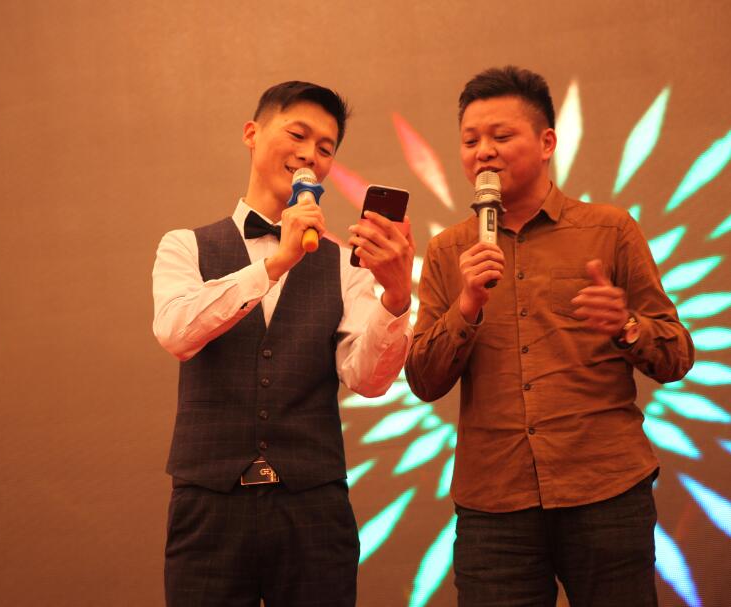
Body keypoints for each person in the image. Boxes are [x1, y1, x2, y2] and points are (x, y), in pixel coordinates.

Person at [405, 66, 694, 607]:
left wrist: (627, 326)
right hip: (494, 506)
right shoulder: (449, 251)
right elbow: (423, 380)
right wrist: (467, 307)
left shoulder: (609, 230)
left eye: (500, 136)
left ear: (546, 143)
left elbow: (677, 355)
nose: (483, 152)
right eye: (470, 140)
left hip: (605, 491)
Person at [152, 80, 415, 607]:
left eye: (326, 148)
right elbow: (176, 332)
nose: (310, 156)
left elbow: (368, 380)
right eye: (298, 135)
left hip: (312, 508)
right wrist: (276, 264)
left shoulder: (343, 265)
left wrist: (396, 297)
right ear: (252, 133)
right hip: (209, 508)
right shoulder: (184, 246)